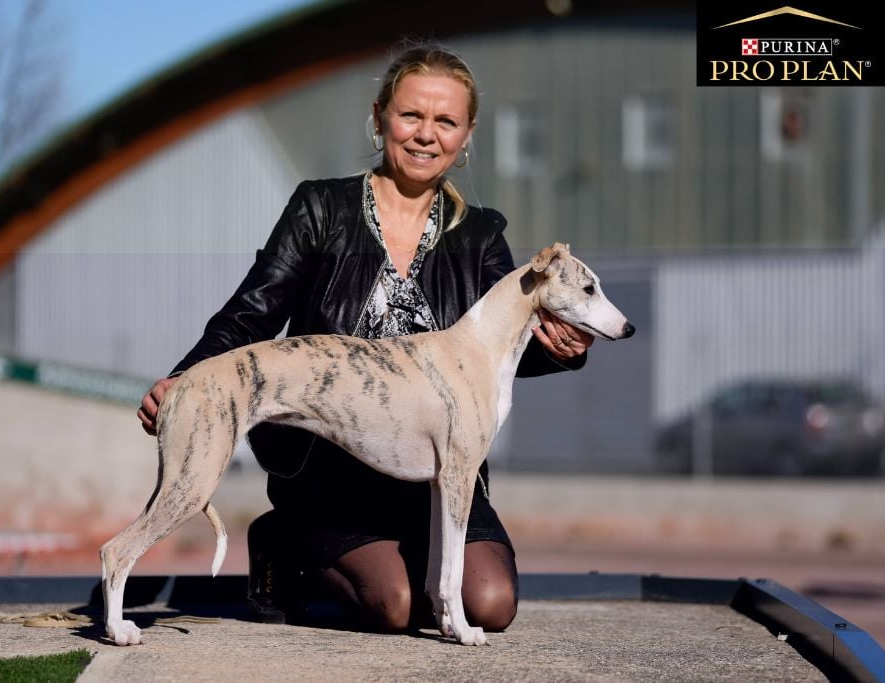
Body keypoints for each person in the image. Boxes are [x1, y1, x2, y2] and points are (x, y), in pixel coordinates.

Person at [137, 39, 593, 634]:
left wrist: (564, 348)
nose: (426, 134)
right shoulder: (320, 208)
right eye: (411, 115)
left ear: (465, 136)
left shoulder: (481, 234)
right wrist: (186, 377)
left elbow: (500, 352)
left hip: (434, 474)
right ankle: (282, 540)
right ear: (379, 118)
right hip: (335, 469)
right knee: (398, 607)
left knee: (490, 604)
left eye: (446, 121)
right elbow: (252, 312)